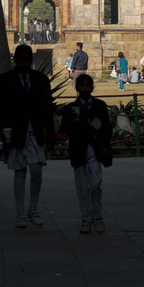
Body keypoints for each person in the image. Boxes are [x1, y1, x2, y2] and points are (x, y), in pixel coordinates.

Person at [0, 44, 55, 228]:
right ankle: (20, 213)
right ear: (15, 60)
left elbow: (48, 108)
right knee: (20, 171)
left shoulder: (40, 79)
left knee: (37, 170)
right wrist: (2, 131)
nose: (24, 63)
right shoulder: (6, 80)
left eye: (27, 60)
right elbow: (2, 109)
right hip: (17, 131)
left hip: (35, 129)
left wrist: (50, 133)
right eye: (21, 60)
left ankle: (33, 209)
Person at [60, 73, 111, 234]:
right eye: (81, 86)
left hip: (95, 148)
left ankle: (97, 216)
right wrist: (77, 123)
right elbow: (65, 128)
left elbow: (105, 125)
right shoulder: (70, 108)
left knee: (96, 184)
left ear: (91, 88)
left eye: (87, 86)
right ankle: (86, 218)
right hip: (79, 148)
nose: (84, 89)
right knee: (82, 187)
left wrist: (91, 127)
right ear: (77, 88)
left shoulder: (100, 105)